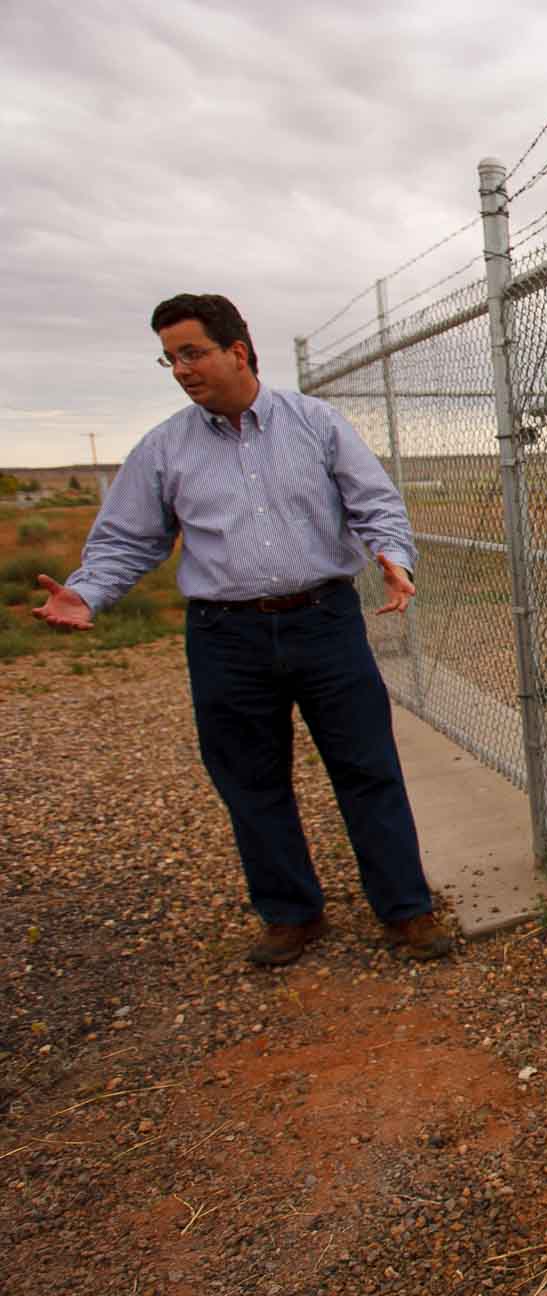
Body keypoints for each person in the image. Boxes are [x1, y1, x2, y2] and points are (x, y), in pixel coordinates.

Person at [34, 293, 453, 966]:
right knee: (251, 781)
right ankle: (290, 915)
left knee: (367, 768)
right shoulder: (163, 449)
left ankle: (406, 909)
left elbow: (375, 504)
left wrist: (394, 557)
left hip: (324, 622)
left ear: (238, 350)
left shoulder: (315, 425)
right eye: (170, 359)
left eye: (192, 353)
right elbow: (127, 539)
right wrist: (87, 593)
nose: (181, 369)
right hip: (225, 636)